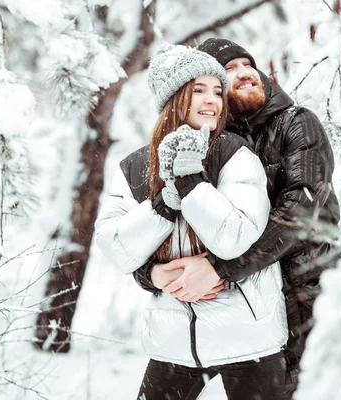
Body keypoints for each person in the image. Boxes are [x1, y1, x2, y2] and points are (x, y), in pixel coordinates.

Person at [133, 38, 341, 397]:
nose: (245, 72)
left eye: (248, 64)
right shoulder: (200, 143)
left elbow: (300, 211)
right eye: (229, 69)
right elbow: (162, 231)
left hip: (300, 300)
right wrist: (151, 274)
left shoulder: (297, 123)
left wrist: (216, 269)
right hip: (214, 305)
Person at [95, 44, 289, 400]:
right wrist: (162, 207)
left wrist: (191, 185)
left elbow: (235, 237)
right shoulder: (136, 168)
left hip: (248, 339)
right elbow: (117, 248)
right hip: (173, 344)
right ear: (173, 99)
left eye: (217, 91)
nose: (212, 100)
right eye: (198, 90)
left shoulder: (235, 155)